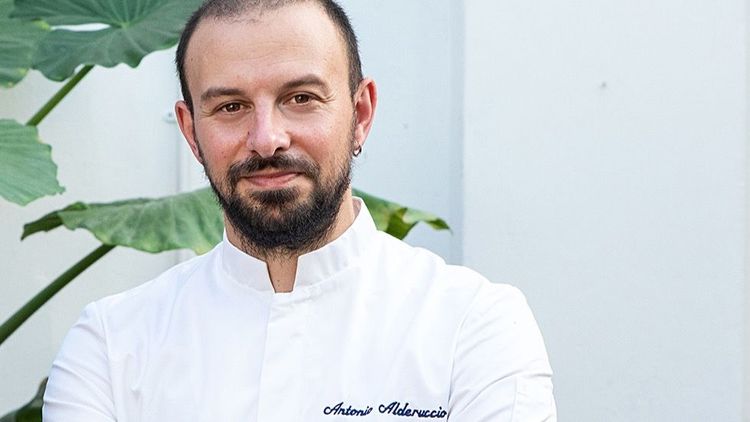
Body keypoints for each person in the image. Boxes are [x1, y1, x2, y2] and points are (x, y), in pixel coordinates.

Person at [43, 0, 556, 420]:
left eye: (301, 98)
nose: (267, 139)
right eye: (230, 107)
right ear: (190, 131)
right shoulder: (110, 347)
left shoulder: (475, 327)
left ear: (360, 114)